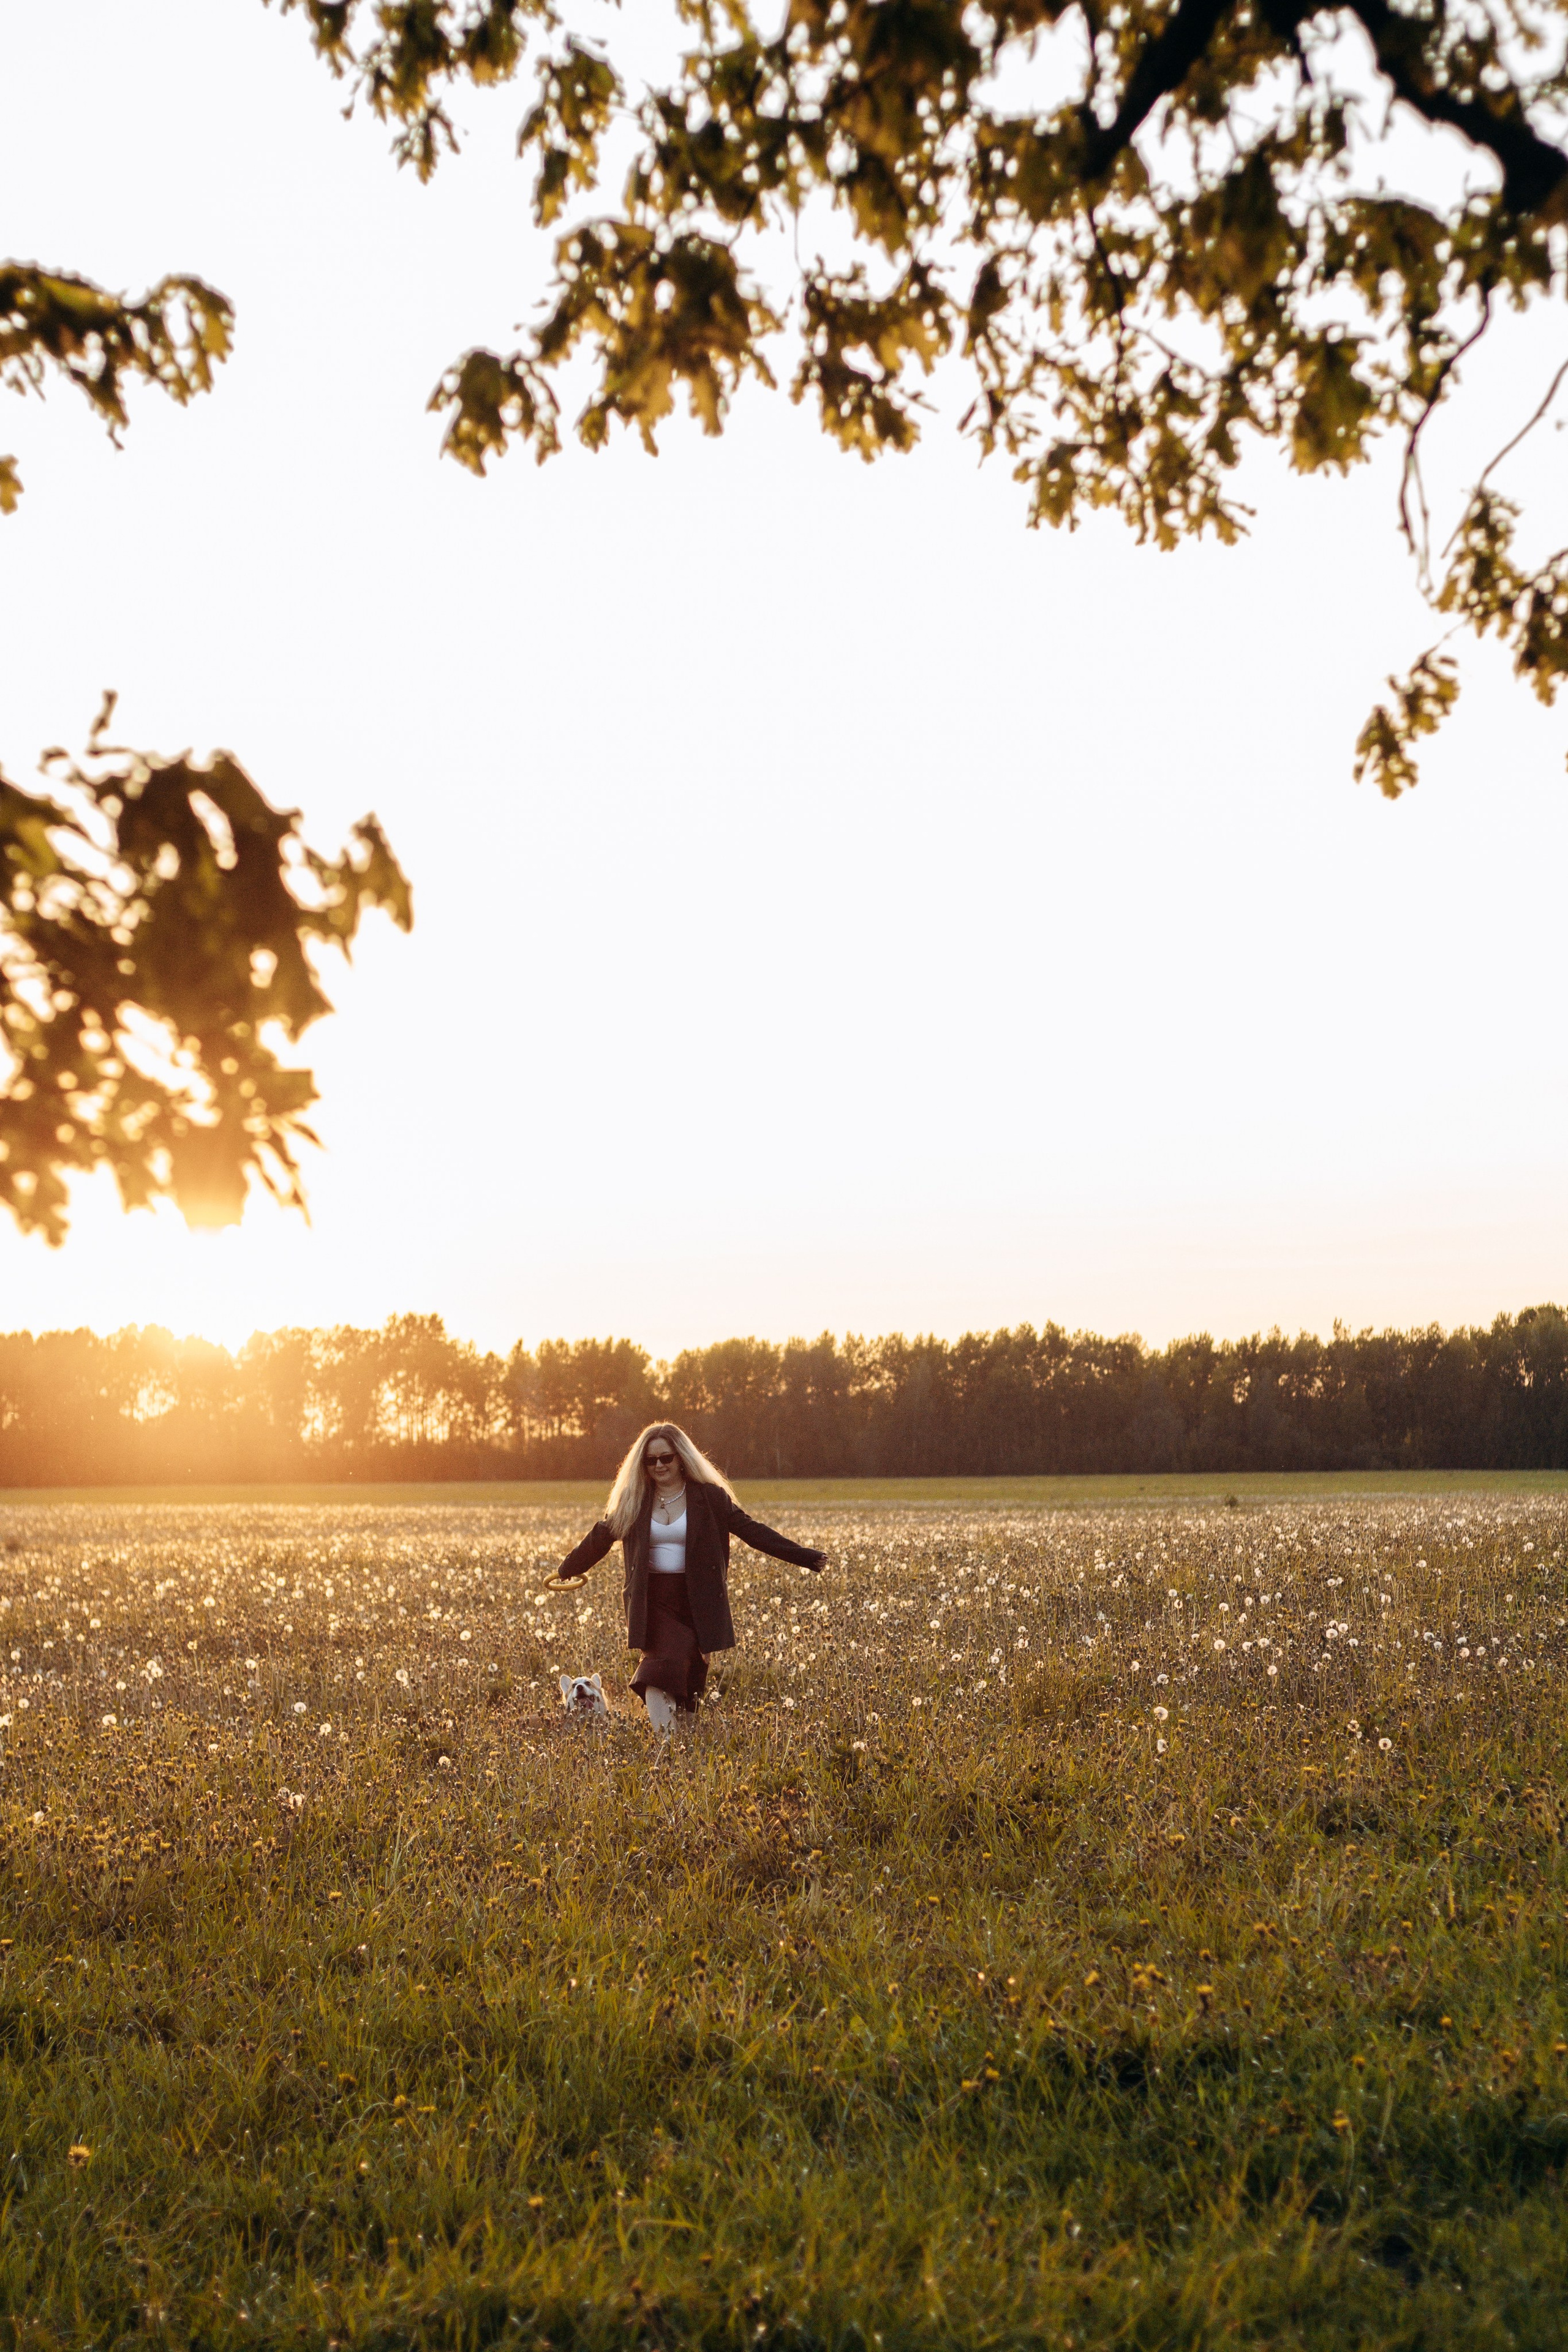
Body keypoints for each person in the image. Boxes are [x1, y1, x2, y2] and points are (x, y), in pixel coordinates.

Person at [553, 1422, 827, 1731]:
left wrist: (805, 1556)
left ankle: (684, 1748)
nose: (659, 1465)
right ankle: (666, 1751)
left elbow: (753, 1532)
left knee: (690, 1682)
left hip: (698, 1599)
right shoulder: (635, 1500)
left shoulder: (709, 1497)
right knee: (656, 1675)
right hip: (652, 1601)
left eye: (666, 1458)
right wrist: (569, 1568)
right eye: (650, 1460)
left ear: (681, 1457)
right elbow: (602, 1536)